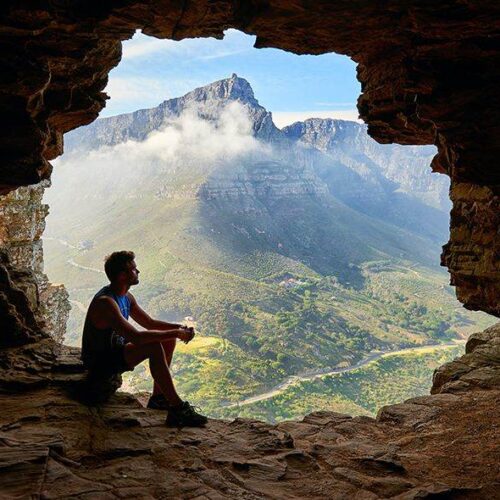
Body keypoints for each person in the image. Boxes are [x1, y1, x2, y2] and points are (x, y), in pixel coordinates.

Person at [81, 250, 207, 427]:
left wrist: (178, 328)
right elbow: (137, 338)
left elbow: (149, 323)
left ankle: (158, 398)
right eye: (134, 269)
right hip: (100, 362)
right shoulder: (106, 303)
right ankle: (178, 409)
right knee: (153, 346)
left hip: (115, 352)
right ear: (122, 275)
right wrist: (177, 333)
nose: (138, 271)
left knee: (167, 340)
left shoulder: (126, 297)